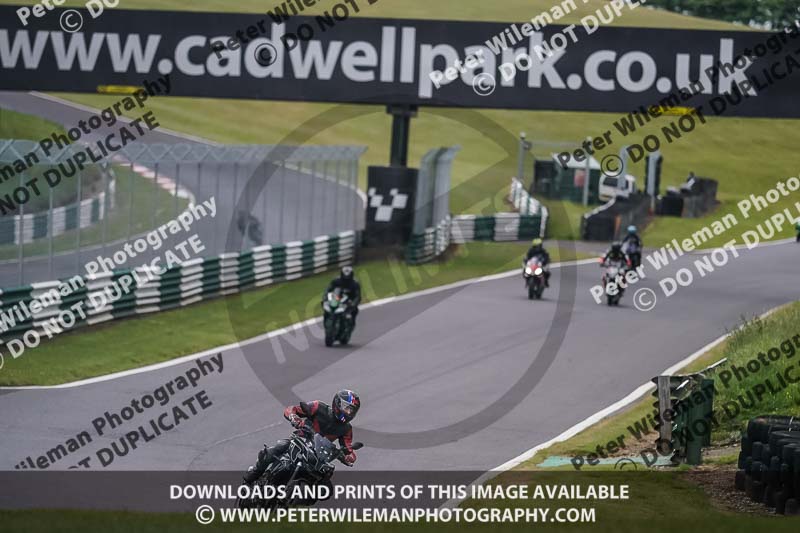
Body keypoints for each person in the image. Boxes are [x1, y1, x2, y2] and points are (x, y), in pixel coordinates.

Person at [243, 390, 361, 485]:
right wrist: (294, 417)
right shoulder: (319, 407)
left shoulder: (346, 429)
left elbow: (348, 448)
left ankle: (296, 500)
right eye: (347, 408)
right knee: (278, 447)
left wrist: (349, 456)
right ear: (338, 404)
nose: (349, 413)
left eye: (352, 410)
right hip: (300, 440)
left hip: (318, 455)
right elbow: (292, 409)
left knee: (326, 484)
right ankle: (254, 473)